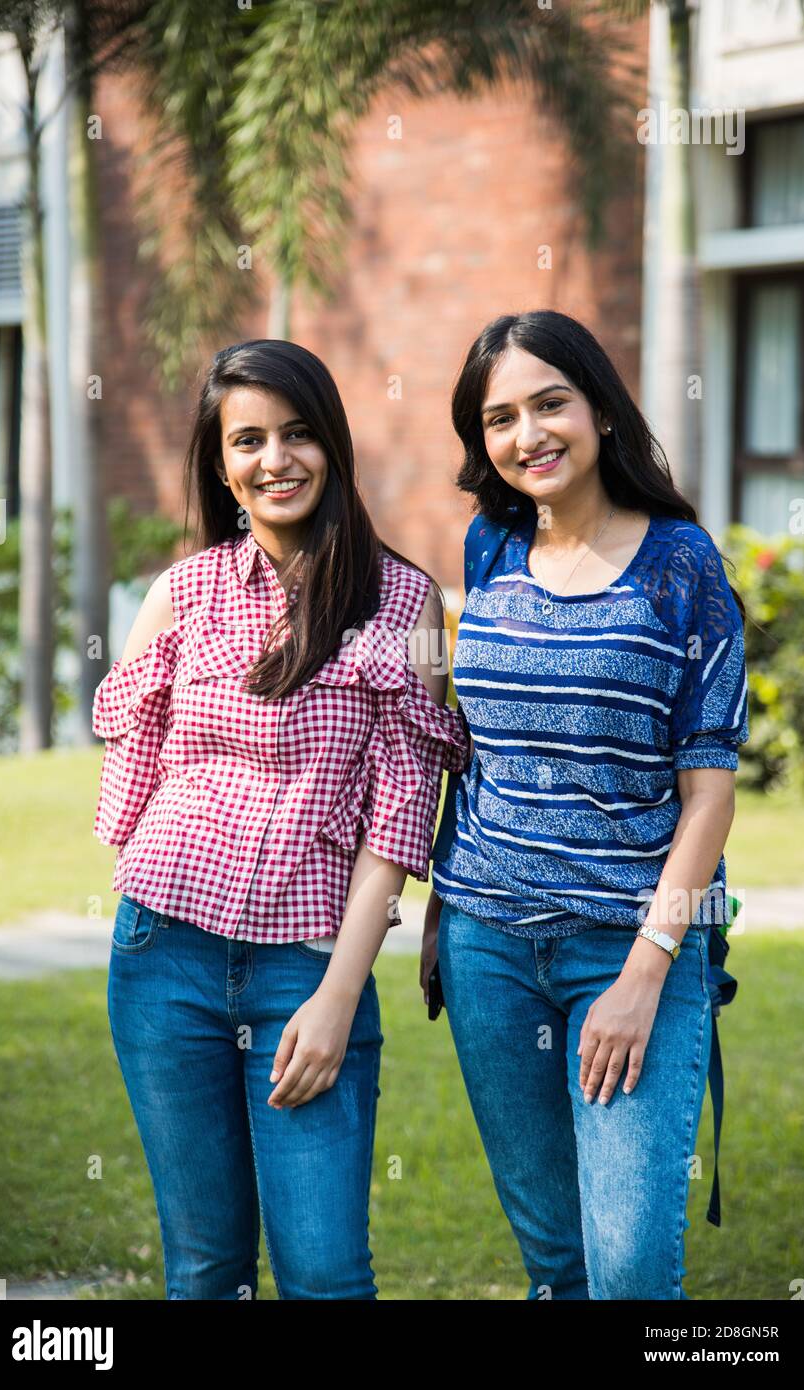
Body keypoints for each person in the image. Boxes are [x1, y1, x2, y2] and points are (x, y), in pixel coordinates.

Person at [93, 338, 469, 1300]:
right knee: (207, 1268)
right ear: (220, 463)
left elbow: (400, 815)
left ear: (333, 446)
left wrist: (339, 996)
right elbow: (130, 782)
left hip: (309, 966)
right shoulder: (180, 592)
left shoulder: (405, 601)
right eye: (248, 439)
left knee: (324, 1273)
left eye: (298, 434)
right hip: (163, 960)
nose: (275, 459)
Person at [423, 310, 749, 1300]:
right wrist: (442, 904)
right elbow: (474, 745)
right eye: (501, 417)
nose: (529, 434)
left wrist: (648, 972)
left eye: (551, 402)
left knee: (632, 1271)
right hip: (489, 947)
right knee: (560, 1268)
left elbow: (709, 795)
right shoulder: (490, 547)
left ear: (601, 408)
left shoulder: (681, 564)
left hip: (633, 943)